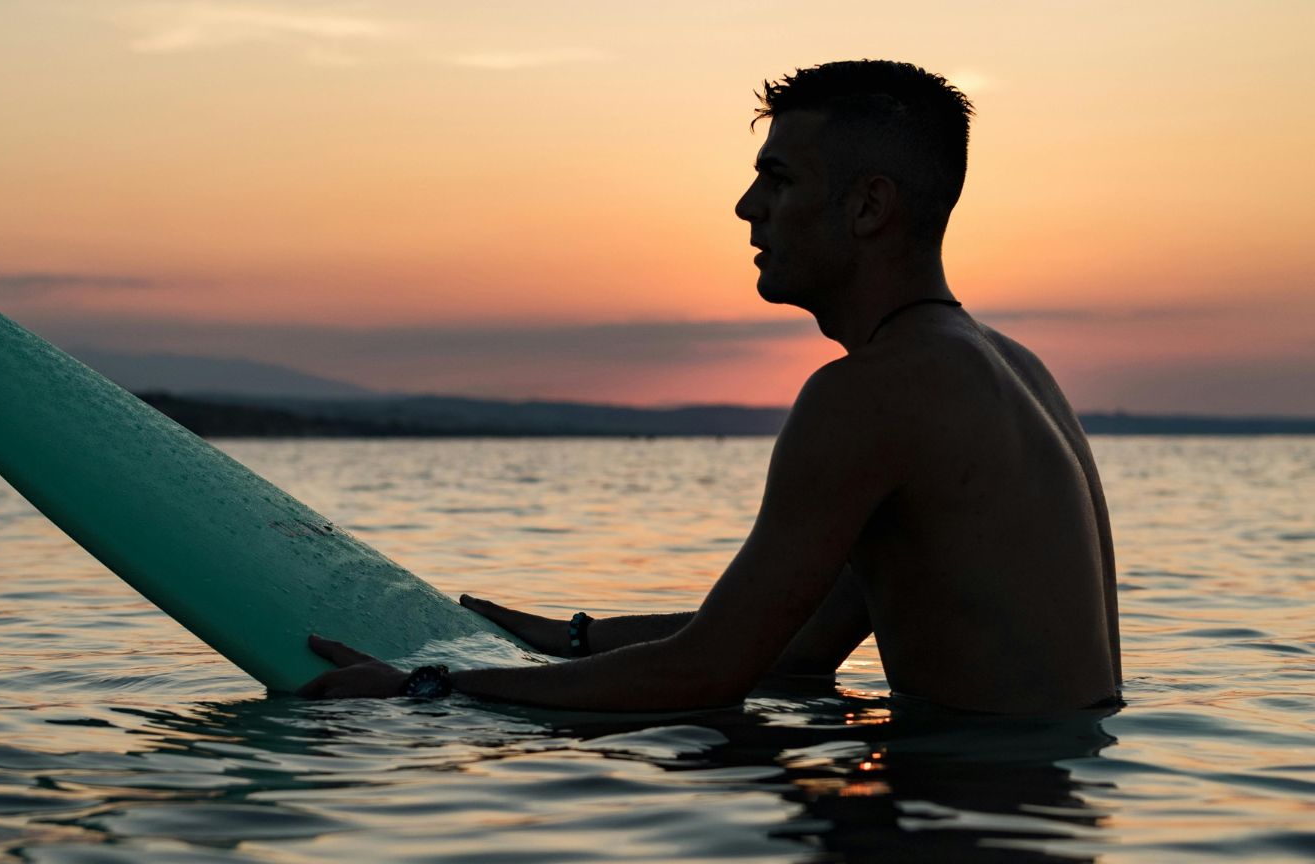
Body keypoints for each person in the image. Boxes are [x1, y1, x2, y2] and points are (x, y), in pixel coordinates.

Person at [298, 60, 1123, 714]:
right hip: (1042, 813)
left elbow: (700, 678)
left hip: (963, 825)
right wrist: (571, 638)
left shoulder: (873, 391)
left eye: (780, 179)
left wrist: (429, 690)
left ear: (869, 206)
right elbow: (798, 646)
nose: (745, 206)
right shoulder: (1004, 366)